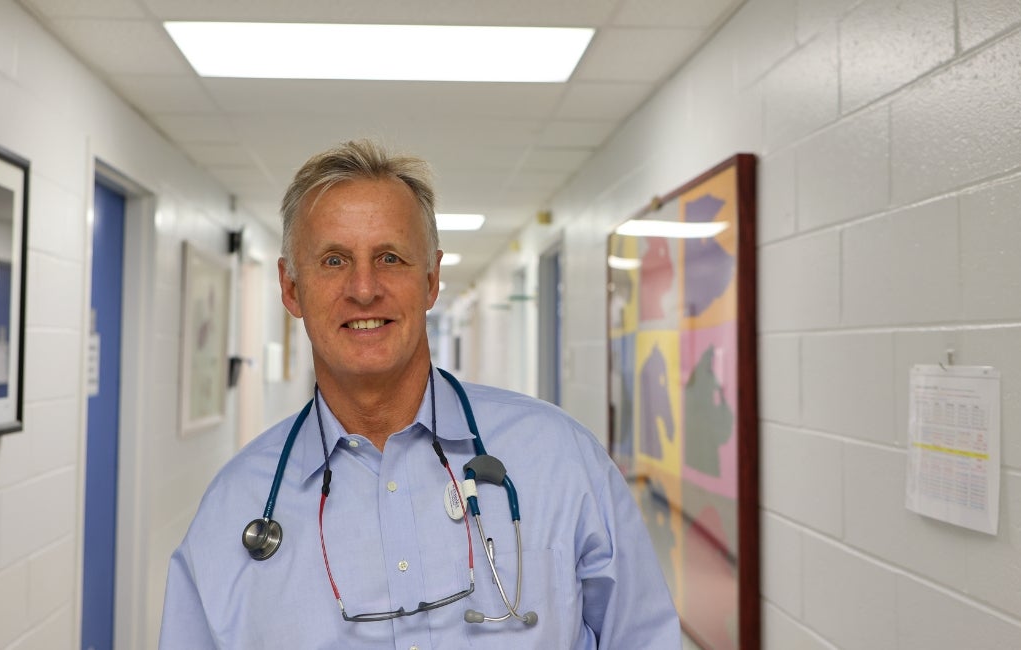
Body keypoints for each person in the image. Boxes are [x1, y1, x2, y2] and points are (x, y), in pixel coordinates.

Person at [159, 140, 680, 649]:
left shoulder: (561, 461)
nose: (364, 288)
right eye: (334, 261)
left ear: (431, 279)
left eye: (390, 258)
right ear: (291, 289)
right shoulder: (231, 513)